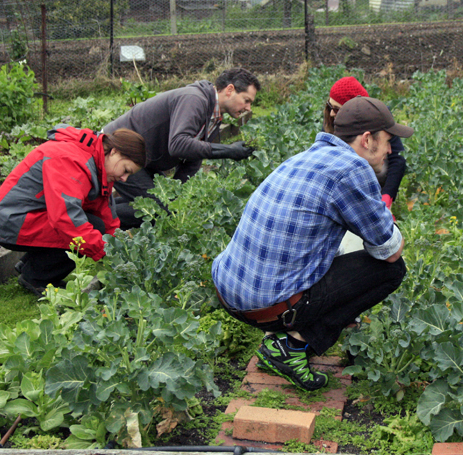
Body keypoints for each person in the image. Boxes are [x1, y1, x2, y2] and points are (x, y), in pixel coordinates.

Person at [212, 96, 413, 391]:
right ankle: (291, 348)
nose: (390, 150)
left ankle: (285, 332)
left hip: (229, 292)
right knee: (390, 270)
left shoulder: (308, 156)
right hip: (266, 306)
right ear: (367, 139)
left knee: (344, 241)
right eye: (387, 141)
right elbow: (390, 250)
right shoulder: (353, 170)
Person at [0, 125, 147, 297]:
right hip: (9, 221)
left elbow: (105, 213)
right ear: (114, 152)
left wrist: (118, 245)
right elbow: (65, 219)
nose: (124, 178)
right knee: (86, 231)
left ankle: (30, 264)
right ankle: (36, 278)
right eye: (126, 170)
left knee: (97, 227)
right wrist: (103, 251)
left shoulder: (98, 162)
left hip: (27, 215)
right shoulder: (70, 159)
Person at [103, 67, 260, 229]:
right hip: (120, 152)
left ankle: (97, 209)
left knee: (164, 204)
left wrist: (178, 199)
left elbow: (193, 160)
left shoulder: (214, 116)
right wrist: (229, 151)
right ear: (230, 90)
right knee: (157, 211)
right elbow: (178, 144)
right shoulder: (194, 99)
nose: (248, 108)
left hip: (145, 159)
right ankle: (92, 222)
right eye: (246, 100)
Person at [324, 76, 407, 212]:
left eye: (337, 109)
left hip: (372, 176)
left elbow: (396, 160)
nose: (332, 113)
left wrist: (386, 197)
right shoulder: (331, 121)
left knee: (382, 165)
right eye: (329, 106)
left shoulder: (378, 118)